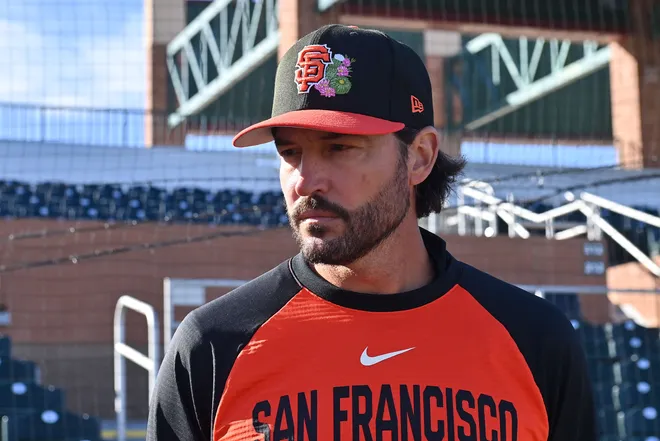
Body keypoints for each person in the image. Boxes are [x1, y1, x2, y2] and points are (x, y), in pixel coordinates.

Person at [146, 24, 596, 441]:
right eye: (290, 152)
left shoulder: (535, 341)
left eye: (340, 147)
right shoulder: (213, 345)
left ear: (419, 157)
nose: (305, 180)